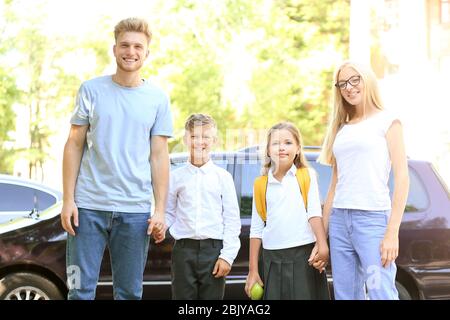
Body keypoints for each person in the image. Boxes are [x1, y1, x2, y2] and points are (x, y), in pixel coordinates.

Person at [61, 17, 173, 300]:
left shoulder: (158, 99)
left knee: (129, 293)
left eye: (138, 46)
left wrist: (160, 210)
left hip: (134, 210)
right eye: (125, 45)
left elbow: (159, 157)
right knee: (78, 291)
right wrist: (68, 200)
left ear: (147, 53)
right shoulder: (91, 90)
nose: (131, 51)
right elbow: (74, 144)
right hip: (87, 207)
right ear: (114, 49)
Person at [318, 60, 409, 300]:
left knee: (381, 293)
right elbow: (334, 185)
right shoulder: (341, 128)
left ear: (366, 79)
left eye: (354, 79)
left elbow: (402, 178)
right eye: (342, 84)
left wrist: (392, 232)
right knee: (346, 295)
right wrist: (322, 237)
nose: (349, 87)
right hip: (339, 221)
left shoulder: (388, 121)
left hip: (372, 222)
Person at [245, 122, 330, 300]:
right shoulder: (261, 184)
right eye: (275, 143)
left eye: (288, 143)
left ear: (298, 148)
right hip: (271, 259)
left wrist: (322, 244)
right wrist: (253, 270)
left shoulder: (306, 176)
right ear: (268, 150)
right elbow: (256, 229)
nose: (281, 148)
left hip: (303, 256)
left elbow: (314, 212)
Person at [160, 113, 241, 300]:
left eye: (205, 136)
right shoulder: (176, 177)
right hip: (183, 251)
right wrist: (160, 225)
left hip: (213, 252)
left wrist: (227, 256)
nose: (199, 141)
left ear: (214, 140)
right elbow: (169, 213)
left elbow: (231, 220)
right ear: (185, 139)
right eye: (194, 136)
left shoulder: (223, 177)